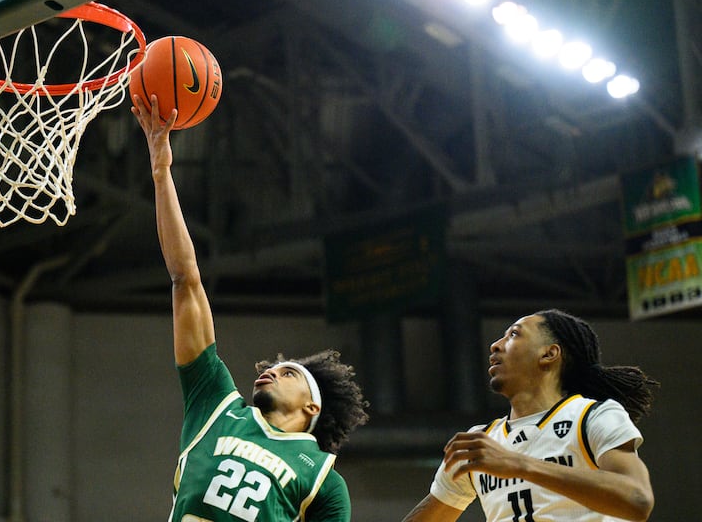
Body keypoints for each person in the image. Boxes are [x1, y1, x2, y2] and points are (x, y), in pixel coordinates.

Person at [132, 94, 370, 522]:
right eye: (278, 367)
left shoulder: (323, 480)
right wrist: (162, 173)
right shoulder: (217, 406)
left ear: (312, 408)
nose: (273, 370)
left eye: (290, 372)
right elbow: (186, 281)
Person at [403, 309, 659, 522]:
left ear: (549, 353)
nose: (495, 345)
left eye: (513, 334)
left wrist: (521, 465)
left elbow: (637, 501)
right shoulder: (480, 441)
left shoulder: (592, 416)